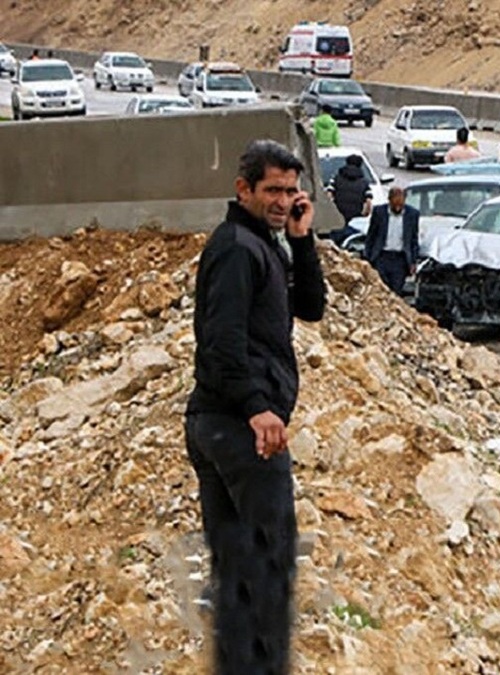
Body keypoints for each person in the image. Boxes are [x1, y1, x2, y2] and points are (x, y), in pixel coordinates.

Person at [186, 139, 326, 675]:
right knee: (266, 568)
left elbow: (310, 308)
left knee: (239, 575)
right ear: (243, 188)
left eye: (291, 191)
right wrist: (257, 408)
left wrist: (301, 238)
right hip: (239, 429)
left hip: (224, 424)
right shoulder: (237, 249)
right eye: (272, 190)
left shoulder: (264, 244)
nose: (283, 200)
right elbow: (221, 342)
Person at [365, 185, 420, 296]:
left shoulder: (412, 215)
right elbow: (371, 235)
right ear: (389, 200)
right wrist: (368, 256)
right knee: (381, 289)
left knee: (396, 291)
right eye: (395, 205)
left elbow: (413, 239)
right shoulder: (379, 212)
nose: (398, 208)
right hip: (382, 257)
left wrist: (413, 261)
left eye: (400, 205)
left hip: (400, 259)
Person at [330, 154, 372, 243]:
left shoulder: (336, 179)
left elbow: (329, 195)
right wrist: (364, 213)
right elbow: (368, 202)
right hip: (355, 219)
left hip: (338, 217)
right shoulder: (364, 182)